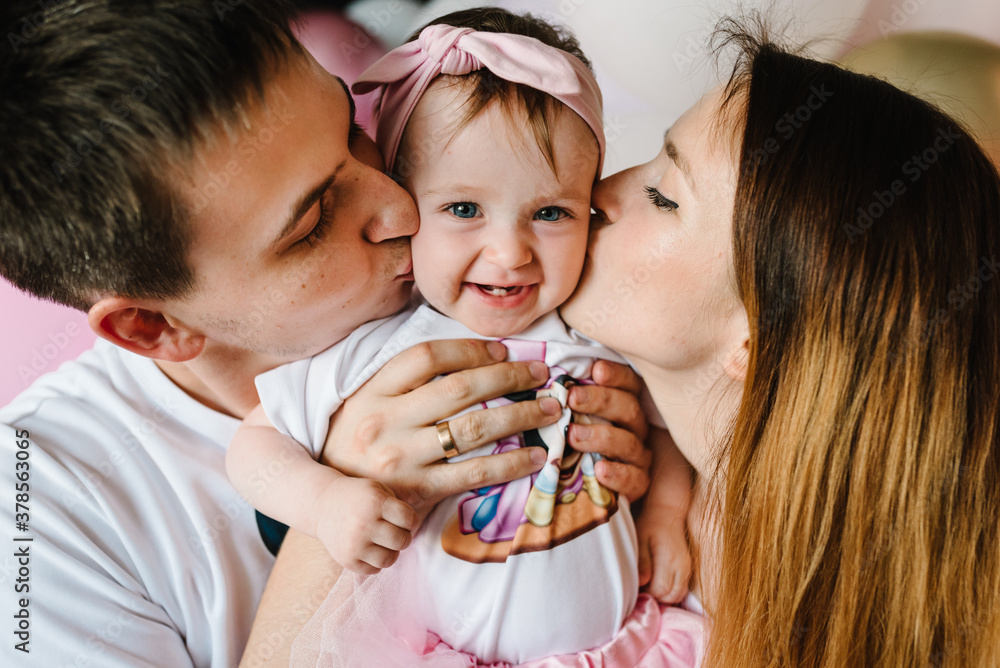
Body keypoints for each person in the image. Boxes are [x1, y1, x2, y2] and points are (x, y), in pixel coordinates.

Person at [243, 17, 1000, 668]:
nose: (598, 194)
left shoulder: (757, 584)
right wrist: (345, 478)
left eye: (665, 194)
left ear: (756, 342)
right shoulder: (400, 354)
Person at [0, 2, 652, 666]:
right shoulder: (38, 516)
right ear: (153, 325)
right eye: (314, 221)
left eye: (353, 130)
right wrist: (346, 495)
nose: (401, 207)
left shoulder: (515, 286)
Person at [226, 9, 694, 665]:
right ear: (403, 199)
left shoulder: (601, 324)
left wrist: (667, 507)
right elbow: (253, 447)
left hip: (623, 645)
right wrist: (325, 501)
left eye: (551, 212)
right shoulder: (379, 347)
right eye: (465, 209)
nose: (509, 253)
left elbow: (669, 423)